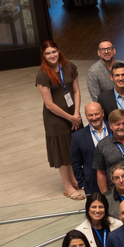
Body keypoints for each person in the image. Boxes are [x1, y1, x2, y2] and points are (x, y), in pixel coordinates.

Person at [36, 40, 86, 199]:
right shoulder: (42, 74)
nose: (52, 55)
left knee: (73, 147)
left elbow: (76, 91)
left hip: (73, 114)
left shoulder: (69, 66)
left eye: (54, 51)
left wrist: (76, 114)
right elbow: (49, 104)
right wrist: (70, 118)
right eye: (48, 53)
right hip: (56, 119)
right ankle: (67, 186)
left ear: (59, 51)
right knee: (62, 151)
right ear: (43, 56)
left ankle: (73, 179)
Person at [71, 102, 110, 194]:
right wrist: (83, 184)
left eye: (97, 114)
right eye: (90, 115)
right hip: (92, 184)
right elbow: (76, 164)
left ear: (103, 113)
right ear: (85, 116)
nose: (94, 118)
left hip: (118, 180)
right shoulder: (78, 137)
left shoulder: (114, 128)